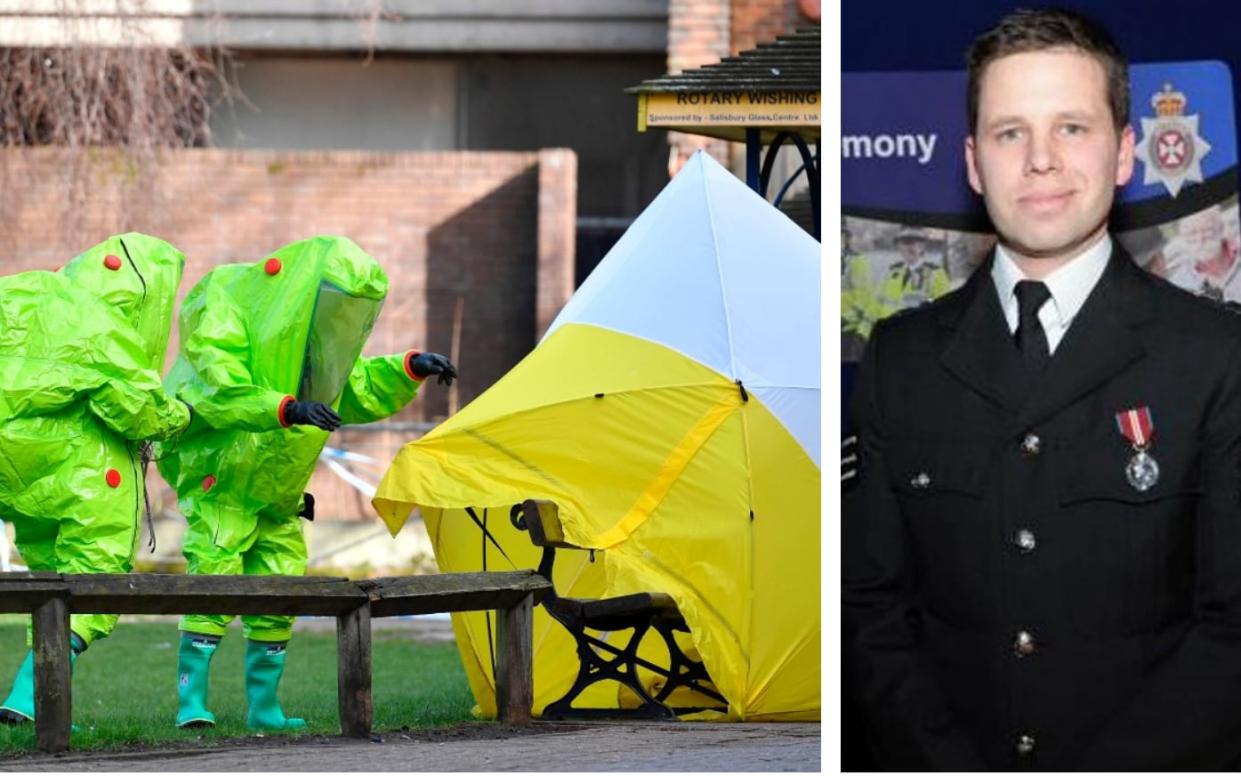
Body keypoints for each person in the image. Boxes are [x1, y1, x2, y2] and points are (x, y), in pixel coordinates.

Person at [843, 8, 1241, 770]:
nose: (1039, 160)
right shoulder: (901, 360)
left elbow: (1228, 629)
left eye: (1071, 128)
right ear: (971, 162)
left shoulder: (1214, 357)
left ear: (1124, 153)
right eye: (1008, 132)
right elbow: (872, 615)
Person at [156, 235, 456, 732]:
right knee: (213, 582)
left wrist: (409, 367)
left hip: (280, 497)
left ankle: (264, 709)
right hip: (225, 486)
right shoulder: (231, 305)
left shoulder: (314, 350)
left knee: (281, 591)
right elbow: (217, 389)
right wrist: (286, 408)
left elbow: (353, 388)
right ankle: (192, 702)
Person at [0, 233, 191, 723]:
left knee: (45, 577)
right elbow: (136, 410)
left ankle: (38, 702)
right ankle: (28, 699)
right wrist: (179, 417)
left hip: (18, 469)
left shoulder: (23, 292)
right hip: (79, 473)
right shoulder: (100, 325)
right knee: (93, 582)